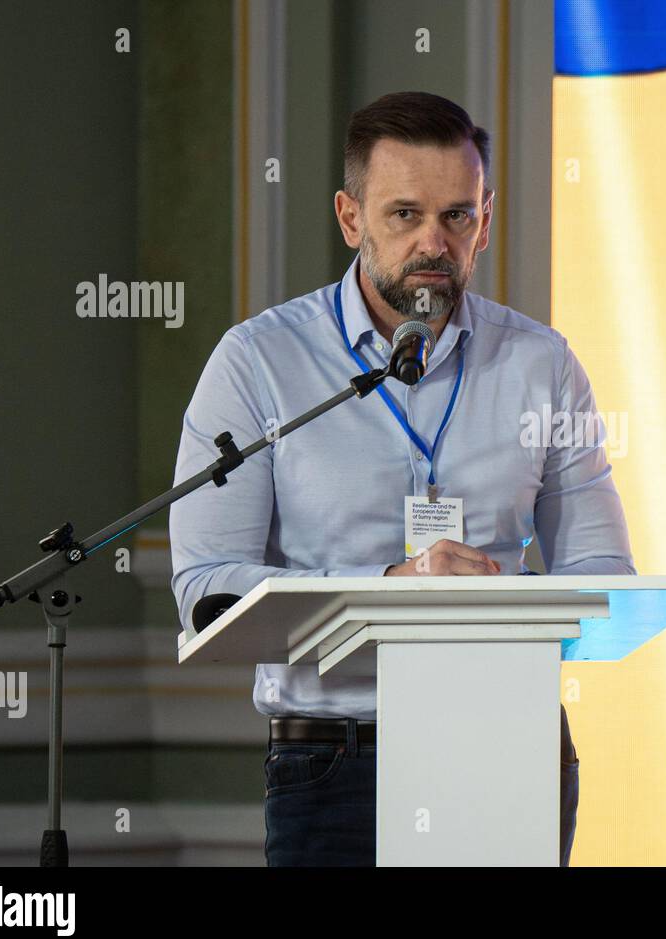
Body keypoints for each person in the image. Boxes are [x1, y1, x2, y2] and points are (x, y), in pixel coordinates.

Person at [169, 91, 635, 866]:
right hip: (335, 761)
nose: (434, 241)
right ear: (351, 219)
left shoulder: (543, 366)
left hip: (506, 751)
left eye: (457, 216)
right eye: (404, 215)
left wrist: (496, 610)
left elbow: (604, 574)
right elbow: (207, 593)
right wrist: (394, 585)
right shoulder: (259, 365)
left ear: (484, 222)